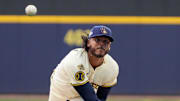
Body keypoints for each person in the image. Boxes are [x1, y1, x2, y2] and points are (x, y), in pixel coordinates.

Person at [48, 25, 119, 101]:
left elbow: (101, 97)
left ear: (109, 46)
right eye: (97, 40)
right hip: (61, 97)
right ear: (88, 42)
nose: (101, 44)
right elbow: (89, 98)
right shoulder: (75, 60)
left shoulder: (112, 67)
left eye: (106, 42)